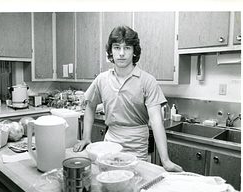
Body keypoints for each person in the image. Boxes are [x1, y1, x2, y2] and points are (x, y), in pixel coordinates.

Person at [73, 25, 183, 172]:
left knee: (133, 184)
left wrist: (165, 160)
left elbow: (156, 121)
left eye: (127, 48)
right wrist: (86, 137)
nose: (122, 53)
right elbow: (90, 106)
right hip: (109, 144)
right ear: (111, 51)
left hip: (136, 147)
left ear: (134, 52)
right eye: (117, 47)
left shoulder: (147, 81)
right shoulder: (102, 79)